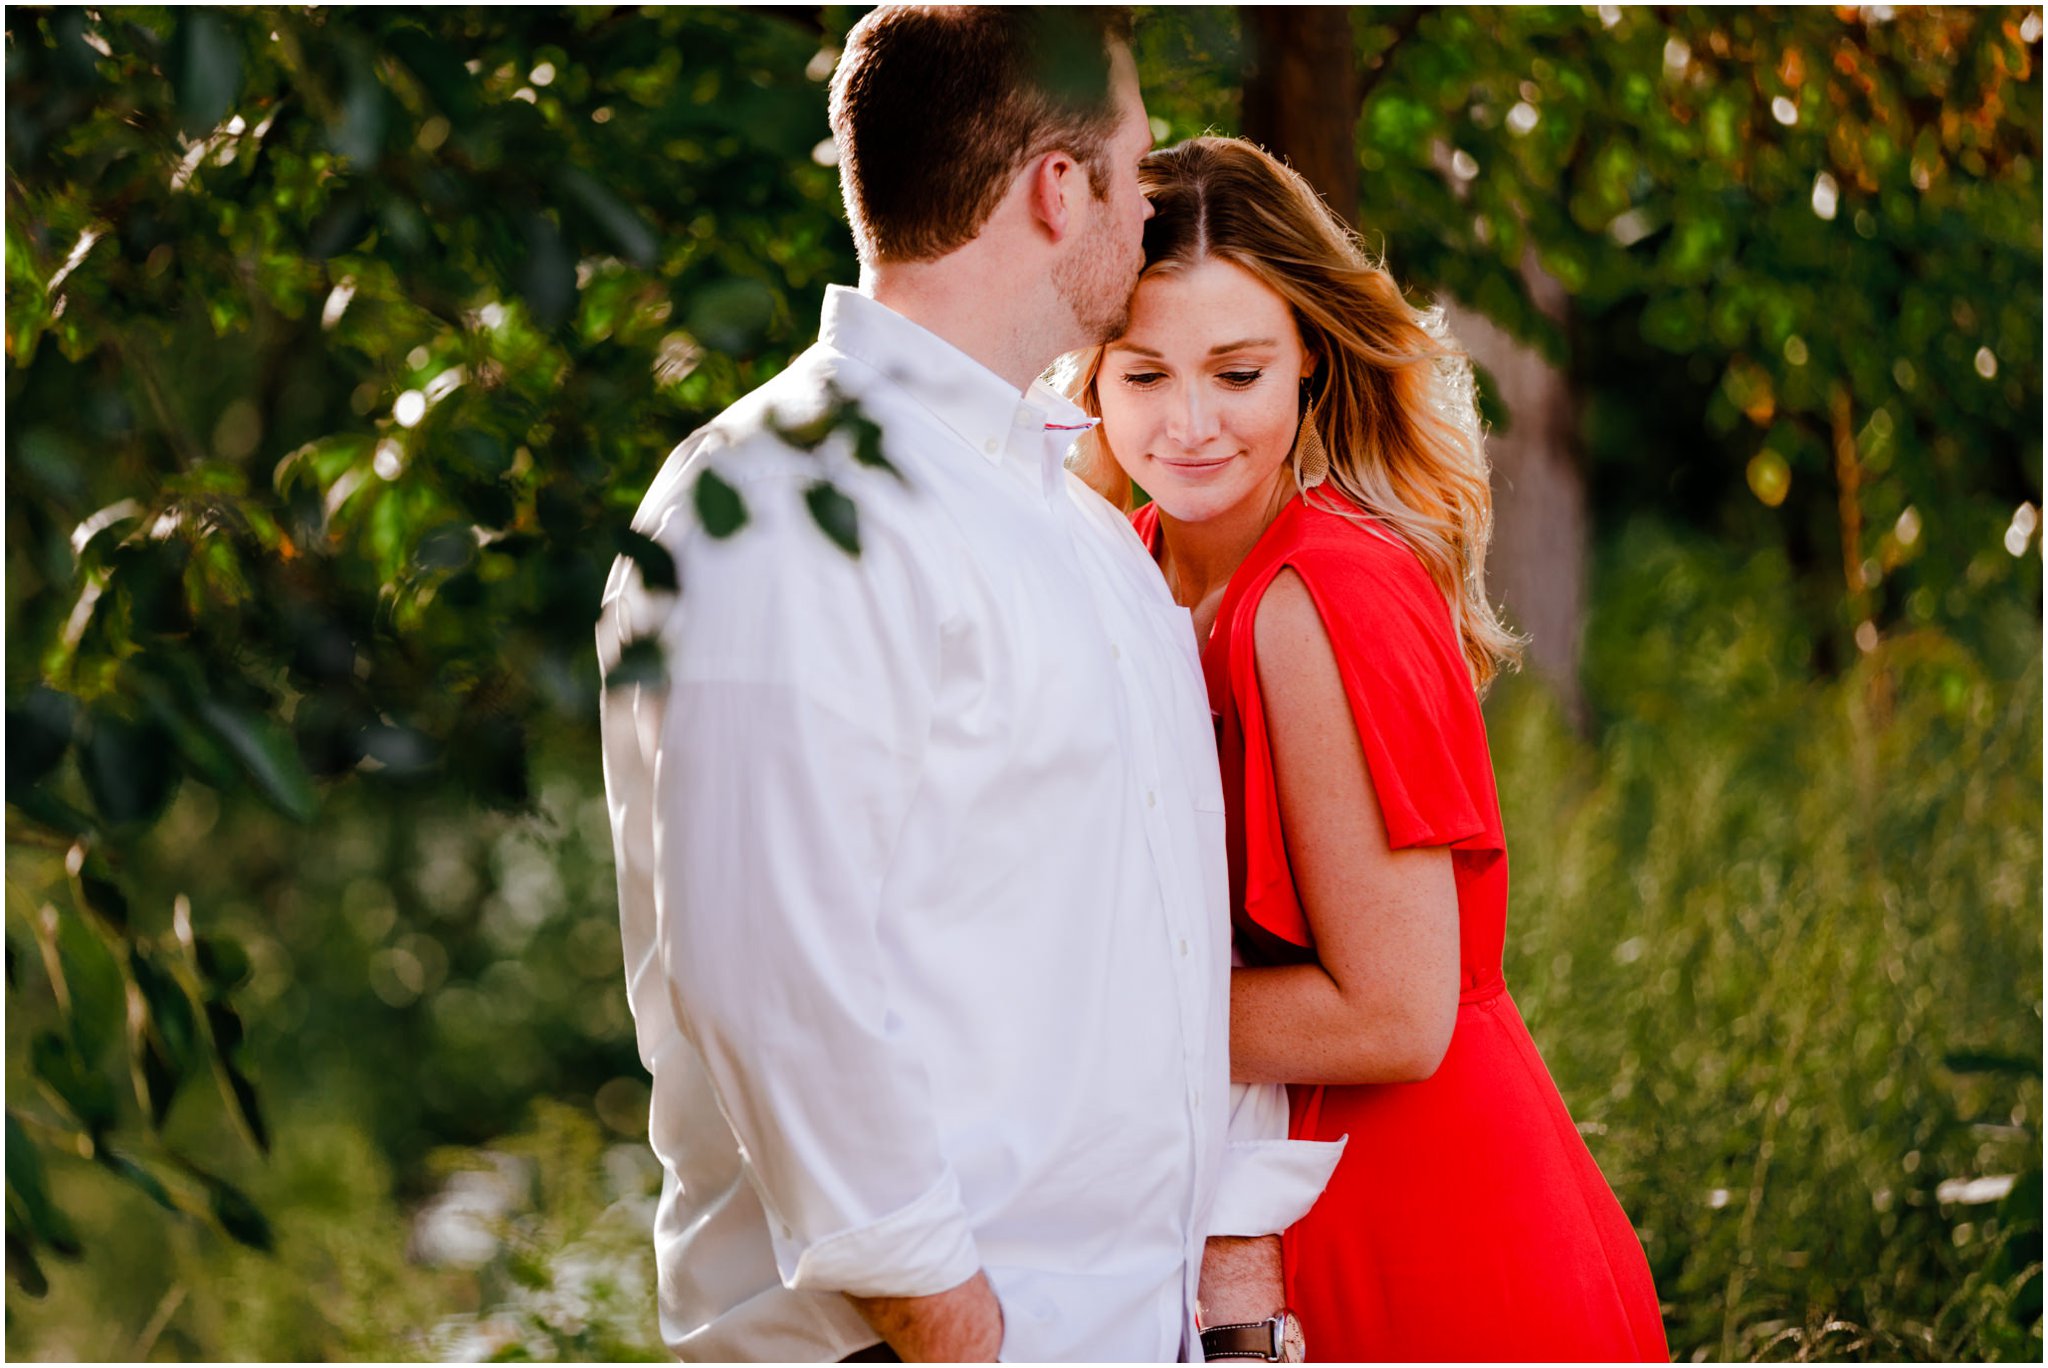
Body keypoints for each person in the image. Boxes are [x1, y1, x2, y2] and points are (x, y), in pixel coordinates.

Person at [597, 13, 1337, 1363]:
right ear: (1061, 191)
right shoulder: (780, 504)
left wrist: (1235, 1295)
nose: (1152, 195)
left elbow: (1176, 938)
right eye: (1130, 160)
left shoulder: (1086, 536)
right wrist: (939, 1317)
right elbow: (768, 963)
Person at [1065, 136, 1671, 1361]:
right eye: (1141, 375)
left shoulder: (1319, 589)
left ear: (1311, 360)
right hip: (1254, 1207)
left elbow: (1395, 1015)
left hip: (1420, 1215)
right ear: (1087, 378)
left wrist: (1059, 1016)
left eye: (1237, 373)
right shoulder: (1116, 560)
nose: (1187, 425)